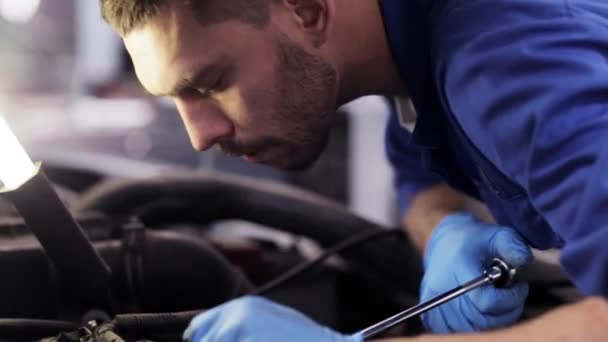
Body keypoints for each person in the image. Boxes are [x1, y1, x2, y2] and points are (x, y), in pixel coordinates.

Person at [99, 0, 608, 340]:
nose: (200, 135)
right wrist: (444, 230)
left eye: (210, 84)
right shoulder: (401, 40)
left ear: (308, 9)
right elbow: (419, 174)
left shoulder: (503, 63)